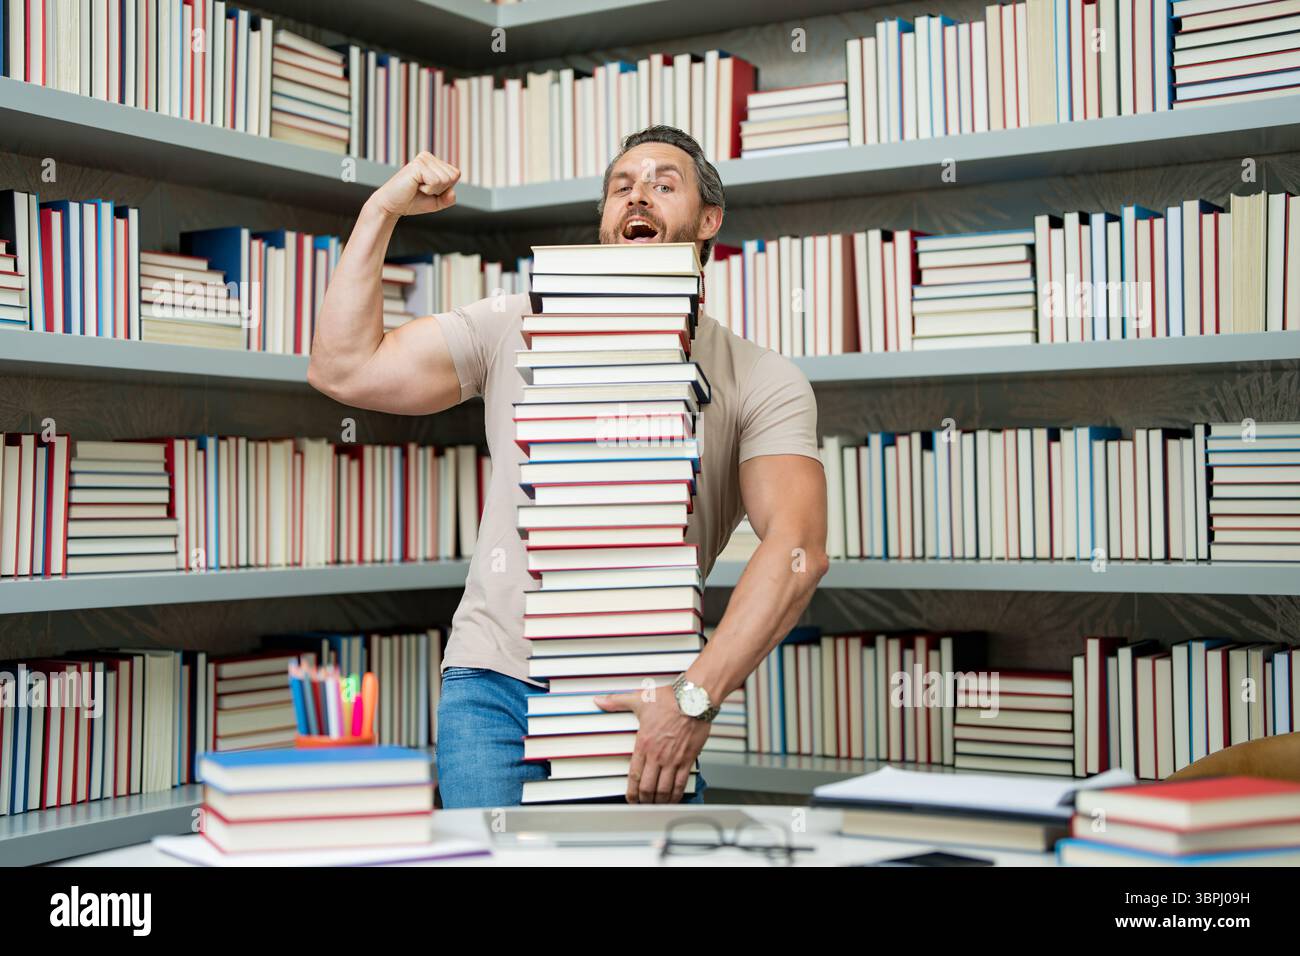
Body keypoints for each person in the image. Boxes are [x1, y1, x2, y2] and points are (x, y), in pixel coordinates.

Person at [308, 125, 828, 807]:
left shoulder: (761, 378)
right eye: (621, 186)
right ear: (607, 221)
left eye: (663, 184)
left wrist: (694, 697)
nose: (637, 195)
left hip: (640, 706)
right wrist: (381, 212)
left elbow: (798, 548)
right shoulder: (512, 324)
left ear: (710, 221)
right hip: (494, 692)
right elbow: (343, 369)